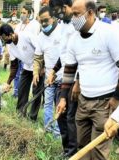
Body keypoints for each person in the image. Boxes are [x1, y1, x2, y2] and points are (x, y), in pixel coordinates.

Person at [56, 0, 119, 159]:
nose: (73, 19)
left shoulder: (108, 33)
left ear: (91, 13)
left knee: (98, 151)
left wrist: (117, 98)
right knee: (82, 147)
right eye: (72, 15)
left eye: (77, 14)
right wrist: (63, 98)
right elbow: (69, 70)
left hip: (105, 102)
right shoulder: (74, 39)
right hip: (83, 102)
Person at [48, 0, 78, 158]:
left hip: (75, 78)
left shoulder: (77, 26)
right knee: (61, 115)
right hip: (64, 76)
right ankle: (67, 149)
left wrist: (78, 81)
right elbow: (64, 55)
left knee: (70, 116)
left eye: (60, 10)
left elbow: (79, 56)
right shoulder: (63, 26)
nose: (58, 14)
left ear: (67, 6)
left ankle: (73, 152)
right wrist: (53, 70)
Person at [0, 24, 43, 120]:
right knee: (22, 90)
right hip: (27, 68)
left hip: (38, 67)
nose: (4, 40)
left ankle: (32, 117)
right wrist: (8, 83)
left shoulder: (26, 36)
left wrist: (42, 67)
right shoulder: (10, 46)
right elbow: (14, 66)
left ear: (11, 34)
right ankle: (20, 114)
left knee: (36, 92)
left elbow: (40, 49)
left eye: (4, 38)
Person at [33, 6, 62, 137]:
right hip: (48, 78)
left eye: (46, 20)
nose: (44, 24)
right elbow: (38, 57)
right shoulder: (40, 37)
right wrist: (35, 72)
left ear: (54, 17)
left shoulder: (62, 31)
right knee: (48, 104)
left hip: (62, 76)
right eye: (41, 21)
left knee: (59, 105)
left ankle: (57, 134)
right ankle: (47, 128)